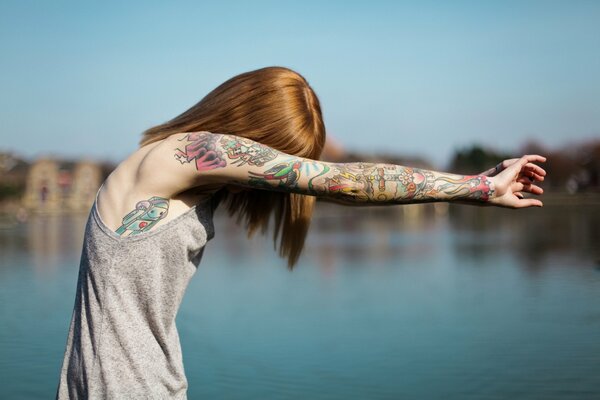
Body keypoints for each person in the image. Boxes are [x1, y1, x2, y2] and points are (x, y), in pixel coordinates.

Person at [55, 66, 546, 399]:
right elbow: (344, 182)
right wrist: (476, 187)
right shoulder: (191, 151)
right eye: (276, 154)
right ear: (250, 131)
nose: (270, 177)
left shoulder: (154, 171)